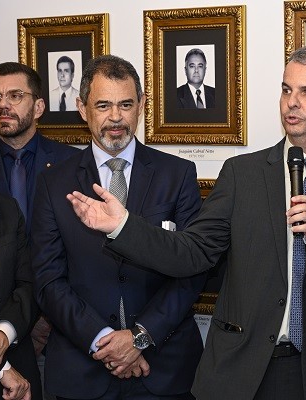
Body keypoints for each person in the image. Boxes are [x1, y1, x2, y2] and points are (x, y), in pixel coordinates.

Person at [67, 44, 306, 400]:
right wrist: (123, 226)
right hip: (242, 369)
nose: (291, 102)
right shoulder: (243, 173)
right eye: (286, 90)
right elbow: (192, 252)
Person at [31, 55, 205, 399]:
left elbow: (193, 270)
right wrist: (105, 342)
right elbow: (49, 280)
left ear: (142, 105)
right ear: (82, 108)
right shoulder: (54, 183)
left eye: (126, 104)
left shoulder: (177, 175)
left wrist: (140, 337)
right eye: (103, 105)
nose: (115, 117)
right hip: (83, 368)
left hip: (164, 369)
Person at [0, 61, 81, 400]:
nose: (3, 105)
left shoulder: (73, 165)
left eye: (15, 95)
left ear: (39, 106)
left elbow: (81, 247)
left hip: (60, 326)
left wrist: (48, 317)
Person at [0, 125, 34, 400]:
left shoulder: (6, 209)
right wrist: (1, 369)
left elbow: (27, 282)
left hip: (18, 374)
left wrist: (3, 336)